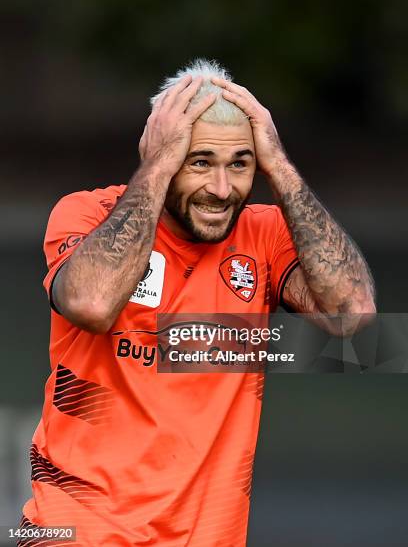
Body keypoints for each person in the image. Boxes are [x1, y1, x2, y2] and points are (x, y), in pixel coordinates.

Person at [20, 59, 375, 546]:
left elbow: (351, 313)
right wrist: (158, 167)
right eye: (200, 161)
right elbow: (93, 302)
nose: (222, 189)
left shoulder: (265, 234)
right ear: (161, 150)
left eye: (241, 163)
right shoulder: (86, 214)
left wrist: (281, 167)